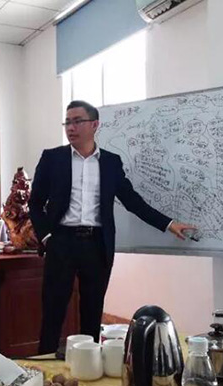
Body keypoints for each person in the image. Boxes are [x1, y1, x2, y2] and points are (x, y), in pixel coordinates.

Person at [29, 100, 197, 354]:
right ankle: (42, 366)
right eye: (68, 122)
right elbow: (35, 203)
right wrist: (47, 237)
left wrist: (168, 224)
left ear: (94, 125)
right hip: (61, 242)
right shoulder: (53, 158)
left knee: (92, 311)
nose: (71, 127)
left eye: (77, 121)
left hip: (97, 245)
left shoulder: (110, 162)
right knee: (53, 311)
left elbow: (132, 201)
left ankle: (89, 365)